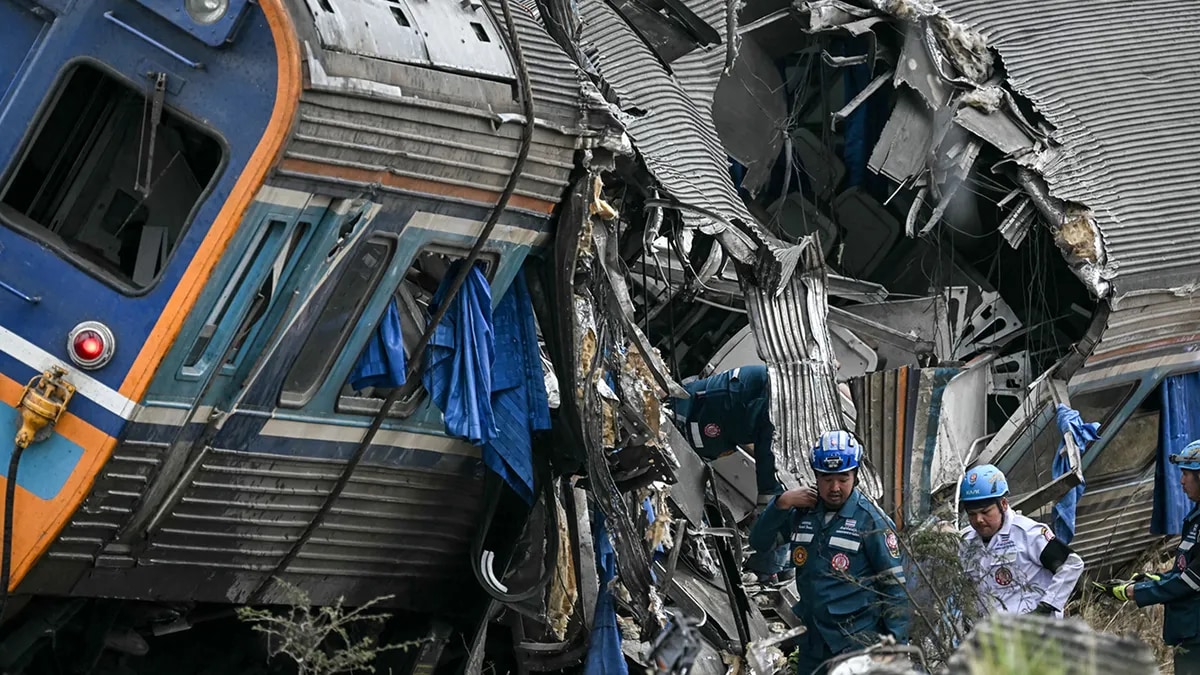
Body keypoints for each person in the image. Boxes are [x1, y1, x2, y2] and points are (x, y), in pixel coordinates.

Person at [749, 430, 910, 675]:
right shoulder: (804, 513)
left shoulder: (871, 521)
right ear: (816, 476)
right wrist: (781, 503)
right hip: (814, 644)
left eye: (843, 478)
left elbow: (895, 588)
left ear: (855, 476)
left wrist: (896, 648)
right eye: (826, 479)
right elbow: (760, 542)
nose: (834, 487)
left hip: (856, 645)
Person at [668, 365, 787, 579]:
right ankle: (766, 570)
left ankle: (768, 569)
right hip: (684, 424)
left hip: (699, 431)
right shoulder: (776, 408)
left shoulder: (774, 388)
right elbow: (771, 479)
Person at [1094, 440, 1200, 675]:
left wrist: (1135, 592)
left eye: (1186, 474)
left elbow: (1191, 580)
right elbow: (1184, 569)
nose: (1181, 481)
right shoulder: (1195, 516)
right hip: (1189, 632)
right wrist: (1151, 580)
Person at [958, 463, 1085, 619]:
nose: (979, 520)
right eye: (972, 514)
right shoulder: (965, 541)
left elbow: (1071, 564)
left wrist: (1046, 607)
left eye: (985, 512)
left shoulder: (1028, 533)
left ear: (1003, 504)